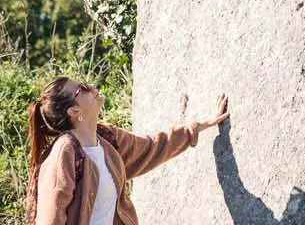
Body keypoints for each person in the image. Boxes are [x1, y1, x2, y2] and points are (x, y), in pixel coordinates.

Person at [26, 77, 229, 225]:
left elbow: (153, 146)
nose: (91, 86)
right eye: (82, 88)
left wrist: (199, 126)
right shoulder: (65, 151)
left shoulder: (108, 140)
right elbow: (50, 219)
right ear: (74, 112)